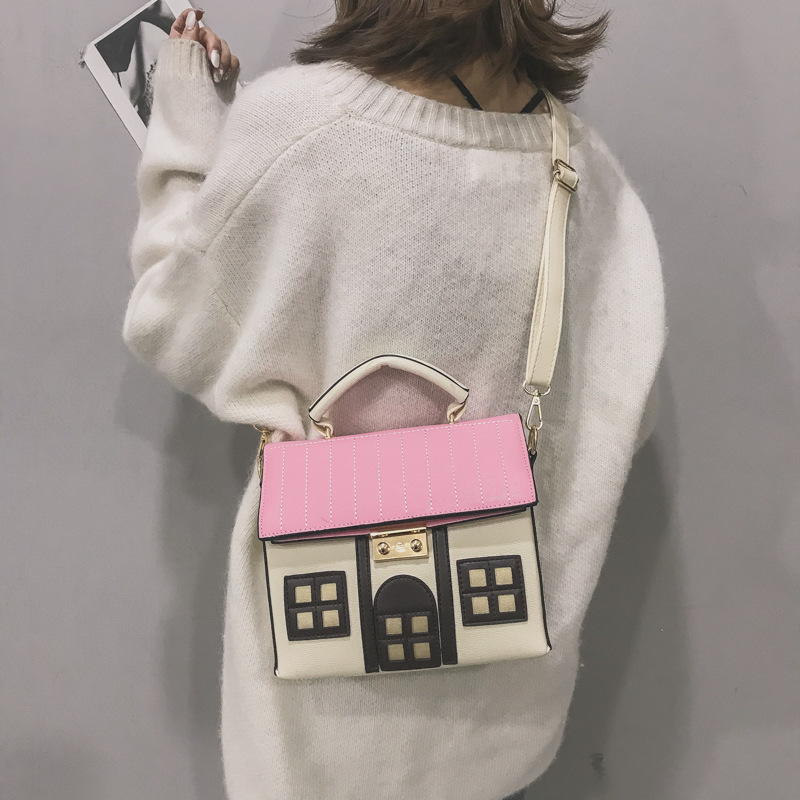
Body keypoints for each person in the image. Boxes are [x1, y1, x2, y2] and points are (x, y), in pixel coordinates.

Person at [122, 3, 666, 799]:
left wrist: (189, 124)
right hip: (507, 721)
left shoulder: (301, 128)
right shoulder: (587, 169)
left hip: (325, 731)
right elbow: (625, 417)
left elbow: (172, 321)